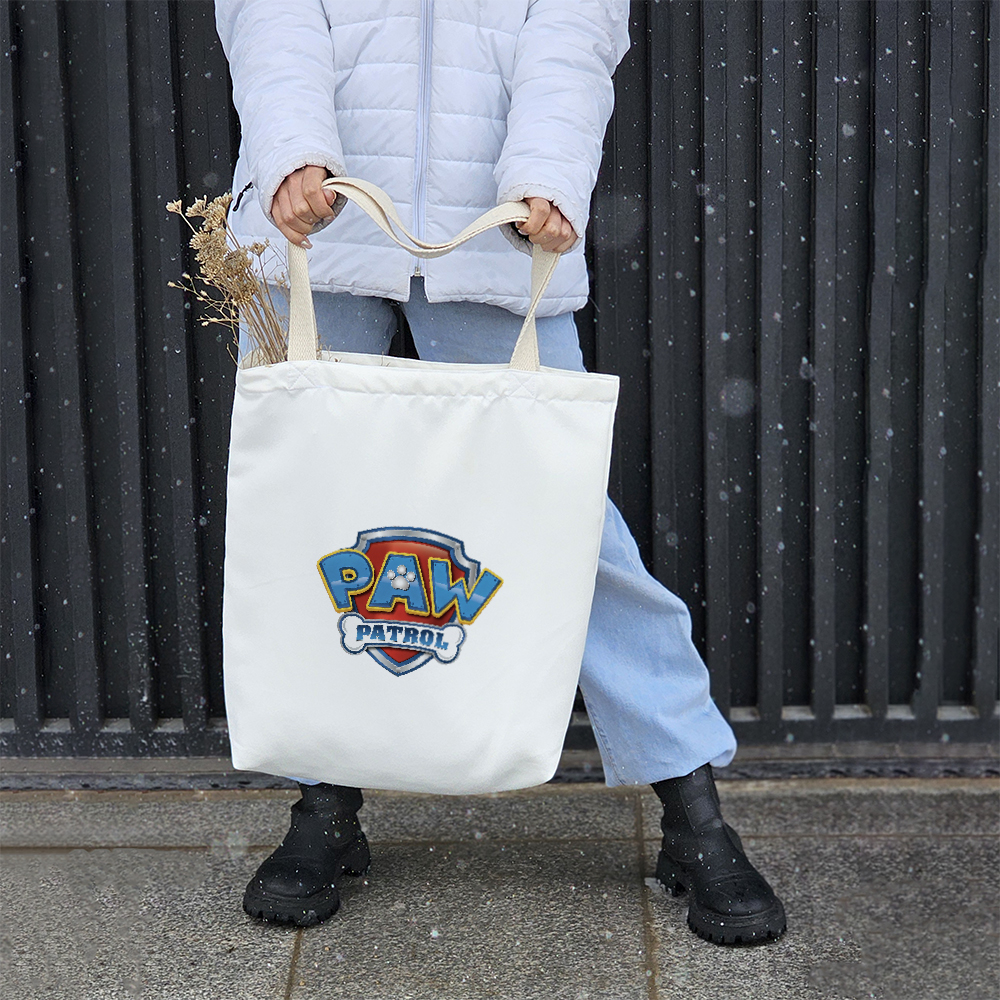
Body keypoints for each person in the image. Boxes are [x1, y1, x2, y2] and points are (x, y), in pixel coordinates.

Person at [215, 0, 786, 946]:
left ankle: (693, 812)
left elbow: (573, 27)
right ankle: (323, 803)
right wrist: (291, 153)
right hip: (315, 229)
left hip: (496, 233)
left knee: (569, 529)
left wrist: (548, 174)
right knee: (310, 526)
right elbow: (272, 15)